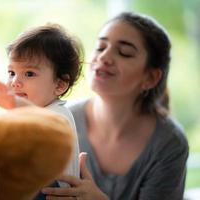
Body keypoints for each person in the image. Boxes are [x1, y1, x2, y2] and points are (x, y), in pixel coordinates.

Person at [41, 12, 189, 200]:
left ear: (150, 77)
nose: (104, 57)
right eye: (100, 47)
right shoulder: (60, 120)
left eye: (124, 53)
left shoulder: (169, 143)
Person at [0, 24, 84, 199]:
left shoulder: (60, 115)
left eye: (29, 74)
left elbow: (46, 124)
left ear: (59, 85)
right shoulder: (30, 113)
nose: (15, 81)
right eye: (11, 72)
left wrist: (17, 104)